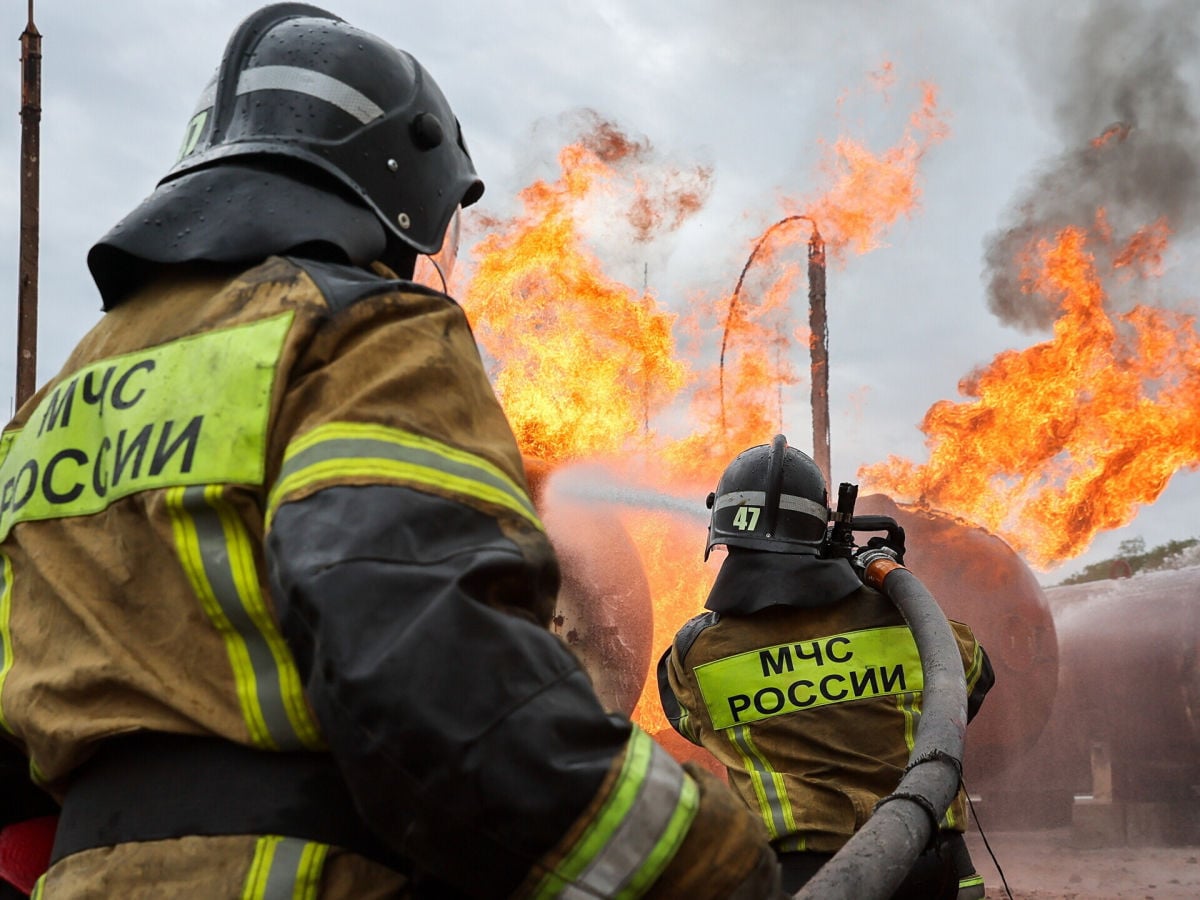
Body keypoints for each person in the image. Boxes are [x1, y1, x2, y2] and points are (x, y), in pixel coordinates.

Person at [0, 5, 784, 897]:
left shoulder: (49, 410)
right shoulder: (358, 333)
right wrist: (707, 857)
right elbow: (430, 671)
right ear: (401, 182)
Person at [657, 435, 995, 899]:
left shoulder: (696, 653)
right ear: (826, 528)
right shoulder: (915, 626)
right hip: (928, 868)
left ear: (723, 531)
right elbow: (966, 688)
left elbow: (687, 721)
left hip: (798, 876)